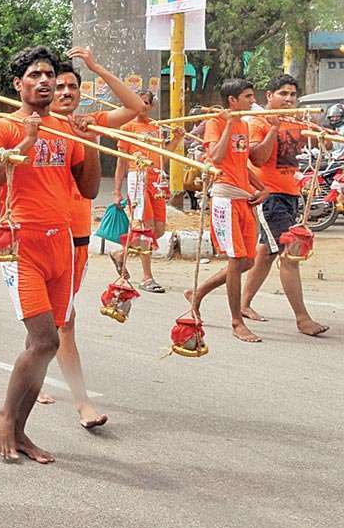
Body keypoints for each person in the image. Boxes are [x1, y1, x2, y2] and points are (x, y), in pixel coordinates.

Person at [0, 46, 100, 463]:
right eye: (35, 75)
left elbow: (90, 189)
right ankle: (5, 417)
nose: (45, 81)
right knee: (44, 338)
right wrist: (26, 141)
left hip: (61, 243)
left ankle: (22, 431)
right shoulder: (2, 128)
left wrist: (91, 141)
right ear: (18, 84)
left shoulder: (65, 128)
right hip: (20, 244)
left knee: (45, 343)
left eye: (49, 74)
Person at [42, 49, 145, 428]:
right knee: (61, 321)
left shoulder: (91, 123)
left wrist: (98, 67)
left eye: (73, 86)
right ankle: (82, 402)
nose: (66, 92)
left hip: (77, 238)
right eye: (59, 86)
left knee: (58, 318)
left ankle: (33, 370)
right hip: (39, 237)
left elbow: (134, 107)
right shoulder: (34, 124)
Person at [240, 74, 330, 337]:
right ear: (269, 96)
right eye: (283, 94)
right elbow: (257, 158)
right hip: (270, 196)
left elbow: (316, 142)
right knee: (290, 253)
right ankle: (303, 319)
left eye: (292, 94)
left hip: (291, 194)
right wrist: (272, 129)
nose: (288, 99)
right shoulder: (256, 121)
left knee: (265, 254)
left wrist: (316, 129)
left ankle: (241, 303)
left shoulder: (293, 121)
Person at [185, 78, 267, 343]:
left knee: (248, 260)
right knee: (235, 259)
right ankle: (236, 321)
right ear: (232, 100)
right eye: (248, 97)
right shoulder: (216, 122)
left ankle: (198, 293)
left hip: (244, 198)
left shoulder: (244, 124)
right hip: (225, 197)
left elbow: (241, 164)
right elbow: (217, 158)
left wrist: (261, 186)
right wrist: (229, 124)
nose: (252, 101)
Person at [112, 89, 169, 293]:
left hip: (156, 179)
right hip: (138, 178)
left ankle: (121, 254)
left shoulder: (156, 127)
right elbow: (121, 161)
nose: (141, 106)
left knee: (159, 229)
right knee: (145, 228)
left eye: (145, 102)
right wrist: (117, 191)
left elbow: (164, 156)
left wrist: (177, 139)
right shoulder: (127, 127)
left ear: (151, 106)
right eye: (138, 102)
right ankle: (147, 277)